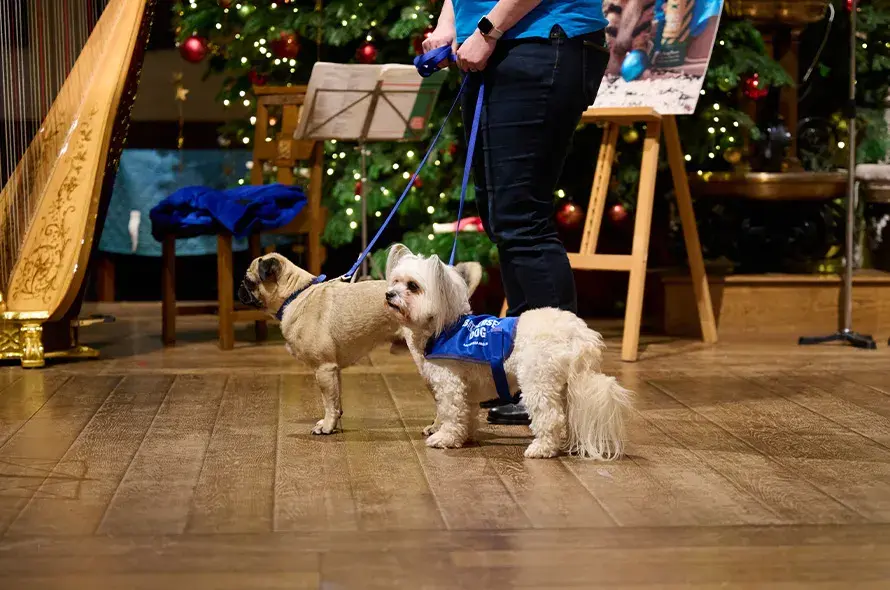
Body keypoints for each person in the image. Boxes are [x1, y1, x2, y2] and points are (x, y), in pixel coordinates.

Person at [422, 0, 609, 425]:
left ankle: (559, 385)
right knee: (502, 218)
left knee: (522, 220)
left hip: (540, 42)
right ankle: (532, 378)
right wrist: (449, 25)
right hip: (496, 47)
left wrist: (487, 30)